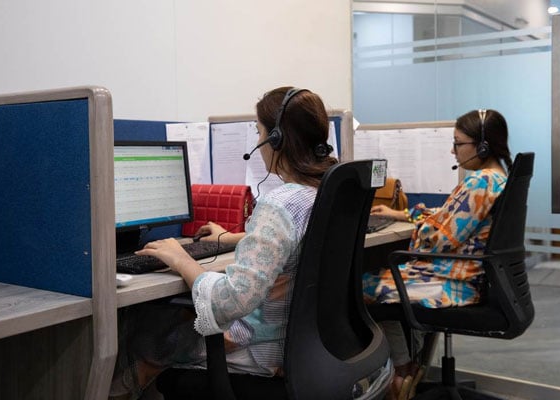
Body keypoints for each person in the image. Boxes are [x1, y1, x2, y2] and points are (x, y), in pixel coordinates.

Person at [110, 86, 338, 399]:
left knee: (144, 326)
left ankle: (121, 388)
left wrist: (181, 259)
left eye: (260, 132)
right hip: (306, 348)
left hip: (258, 352)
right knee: (172, 320)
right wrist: (234, 238)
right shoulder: (326, 192)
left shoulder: (280, 204)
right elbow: (298, 244)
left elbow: (231, 301)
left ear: (276, 139)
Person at [363, 109, 513, 399]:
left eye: (458, 143)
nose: (452, 150)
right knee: (387, 281)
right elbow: (452, 218)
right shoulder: (498, 179)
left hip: (453, 283)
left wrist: (420, 226)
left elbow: (439, 240)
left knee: (363, 287)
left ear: (482, 146)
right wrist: (402, 214)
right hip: (470, 278)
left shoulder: (479, 183)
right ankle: (413, 368)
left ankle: (402, 371)